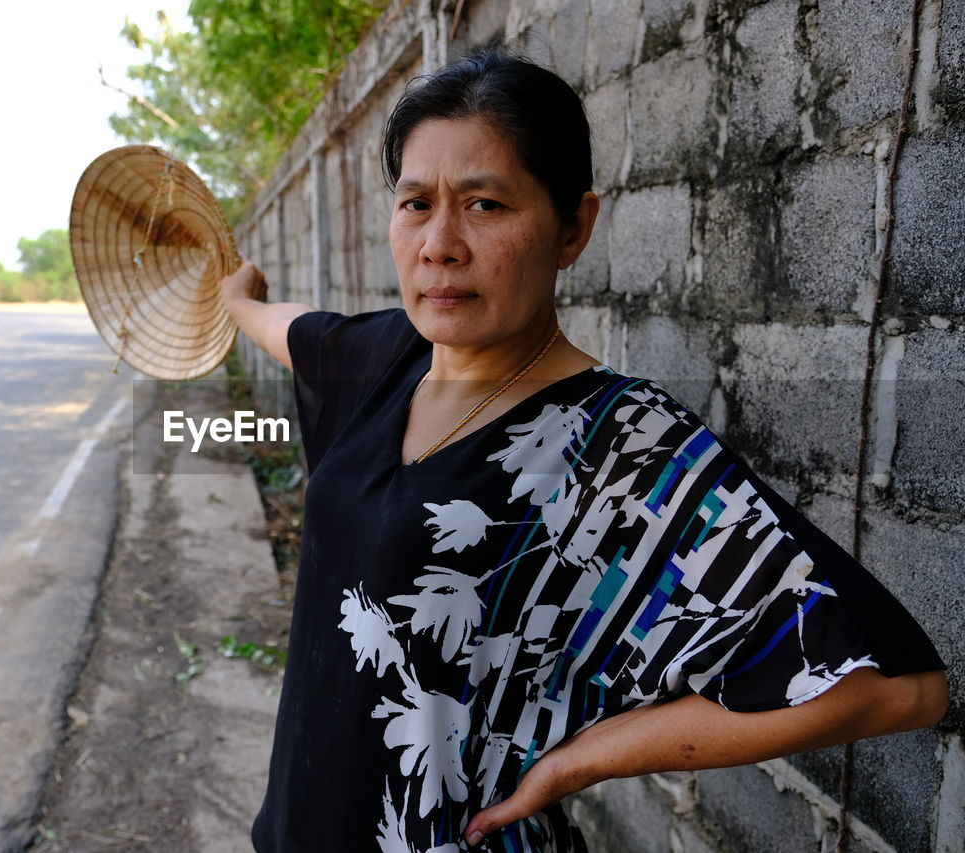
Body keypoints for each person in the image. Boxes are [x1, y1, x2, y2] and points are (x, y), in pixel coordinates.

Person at [217, 46, 948, 852]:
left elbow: (898, 689)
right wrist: (233, 296)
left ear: (573, 228)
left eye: (486, 205)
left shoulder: (622, 450)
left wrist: (580, 762)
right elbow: (286, 327)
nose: (439, 244)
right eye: (415, 202)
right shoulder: (382, 357)